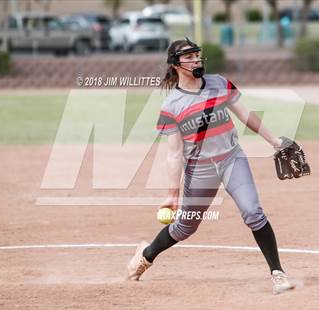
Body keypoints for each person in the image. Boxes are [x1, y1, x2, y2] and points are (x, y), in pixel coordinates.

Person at [126, 38, 296, 294]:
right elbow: (174, 154)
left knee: (253, 212)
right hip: (200, 170)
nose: (196, 60)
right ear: (175, 65)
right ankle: (146, 254)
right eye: (189, 57)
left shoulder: (218, 83)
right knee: (184, 227)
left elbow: (246, 115)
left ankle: (277, 273)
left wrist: (275, 141)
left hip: (232, 159)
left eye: (197, 55)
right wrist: (172, 194)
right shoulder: (172, 105)